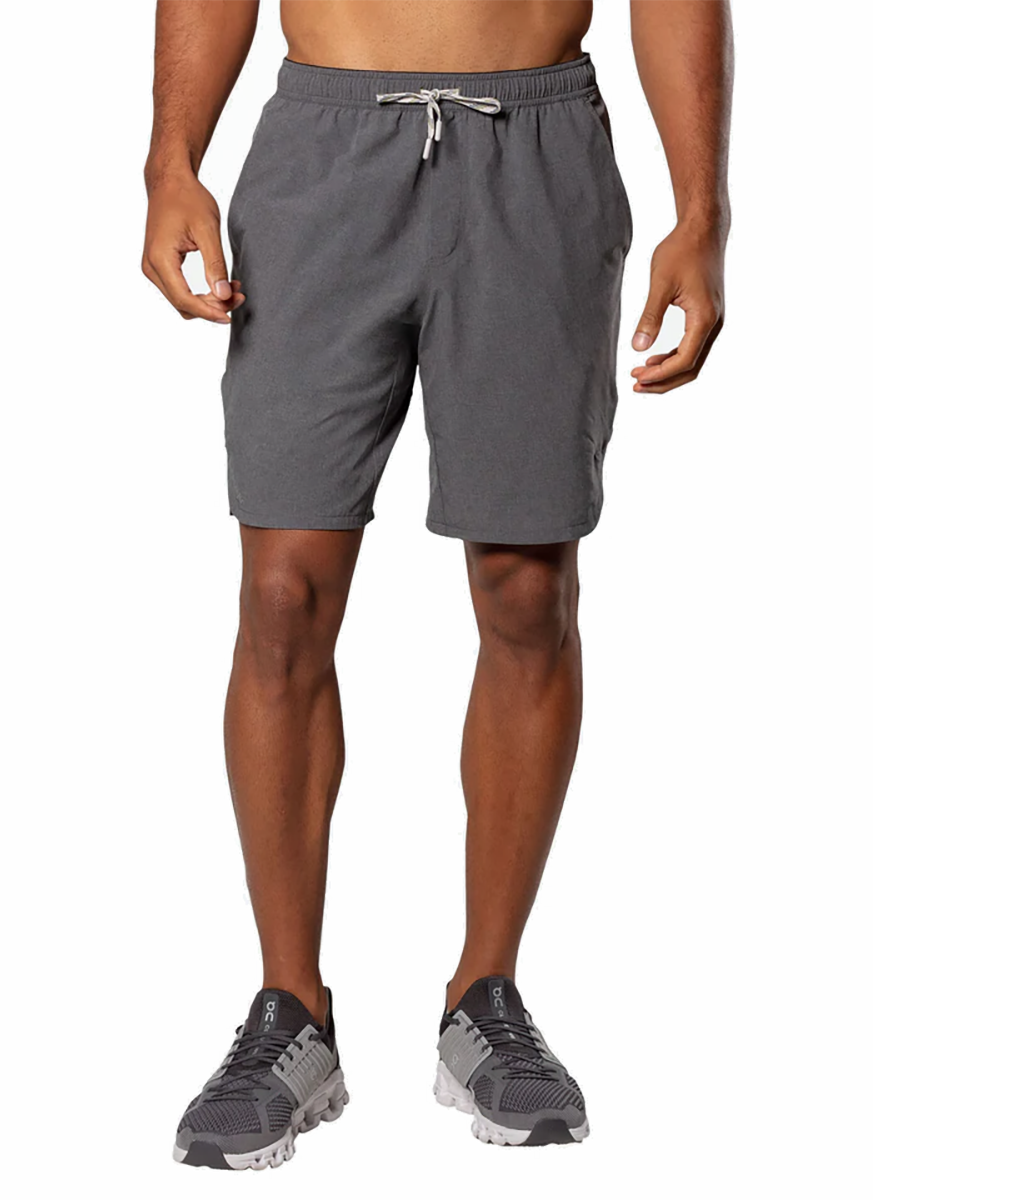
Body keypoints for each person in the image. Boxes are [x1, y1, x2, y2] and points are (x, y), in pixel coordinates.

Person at [143, 0, 732, 1170]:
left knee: (526, 590)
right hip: (324, 148)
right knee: (283, 595)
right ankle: (290, 1012)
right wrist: (172, 163)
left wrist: (701, 213)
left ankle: (485, 998)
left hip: (537, 144)